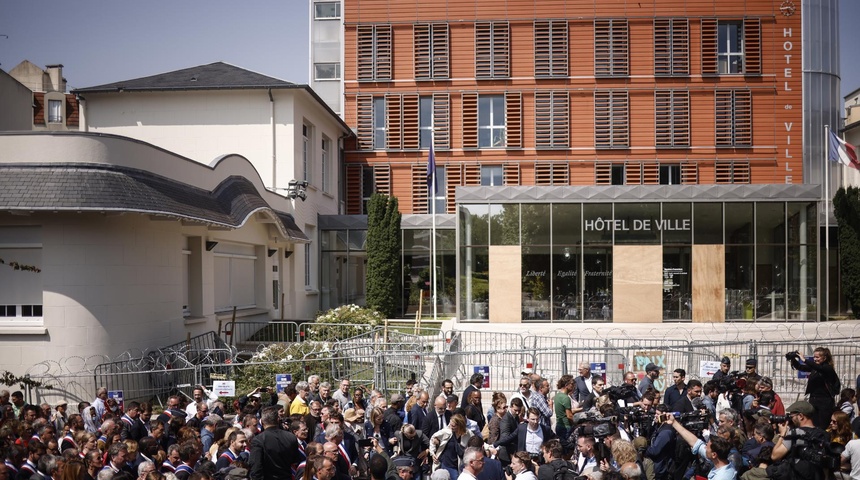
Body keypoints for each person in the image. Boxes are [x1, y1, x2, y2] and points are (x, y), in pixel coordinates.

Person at [664, 412, 737, 480]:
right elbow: (696, 443)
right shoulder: (719, 461)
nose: (704, 447)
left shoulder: (722, 477)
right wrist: (674, 422)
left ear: (714, 455)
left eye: (707, 447)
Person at [770, 400, 830, 480]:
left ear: (801, 416)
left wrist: (782, 434)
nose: (791, 419)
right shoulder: (824, 434)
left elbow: (775, 456)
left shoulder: (796, 433)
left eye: (792, 417)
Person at [787, 347, 839, 429]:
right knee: (814, 424)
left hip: (824, 401)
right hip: (813, 400)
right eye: (814, 357)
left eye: (817, 357)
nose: (815, 359)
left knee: (823, 426)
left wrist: (804, 359)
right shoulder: (815, 369)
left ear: (824, 358)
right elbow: (801, 367)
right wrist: (793, 359)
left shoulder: (827, 368)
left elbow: (819, 368)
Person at [249, 406, 301, 480]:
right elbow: (295, 461)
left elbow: (255, 466)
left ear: (262, 422)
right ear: (278, 420)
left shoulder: (258, 440)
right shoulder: (291, 437)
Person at [429, 414, 472, 480]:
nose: (450, 426)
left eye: (453, 426)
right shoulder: (446, 431)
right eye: (450, 424)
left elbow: (475, 440)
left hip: (459, 465)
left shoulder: (467, 434)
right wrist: (433, 453)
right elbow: (433, 438)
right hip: (446, 464)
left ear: (459, 425)